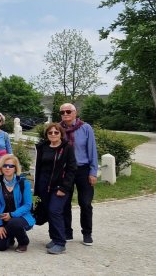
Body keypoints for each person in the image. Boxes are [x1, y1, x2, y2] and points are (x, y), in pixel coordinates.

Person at [35, 123, 77, 255]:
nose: (53, 134)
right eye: (50, 133)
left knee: (55, 211)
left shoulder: (67, 148)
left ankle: (60, 242)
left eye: (56, 132)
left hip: (59, 186)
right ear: (47, 135)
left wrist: (64, 187)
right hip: (43, 185)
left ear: (61, 134)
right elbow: (38, 167)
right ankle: (54, 238)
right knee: (48, 211)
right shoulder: (42, 147)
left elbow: (72, 169)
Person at [59, 103, 98, 246]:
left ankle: (87, 233)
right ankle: (67, 231)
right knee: (64, 203)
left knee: (85, 203)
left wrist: (93, 172)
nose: (65, 114)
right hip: (65, 170)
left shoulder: (85, 128)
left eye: (68, 111)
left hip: (83, 169)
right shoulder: (57, 129)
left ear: (75, 113)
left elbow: (92, 150)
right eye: (62, 112)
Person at [0, 155, 35, 252]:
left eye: (11, 166)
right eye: (5, 165)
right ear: (1, 167)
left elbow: (28, 205)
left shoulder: (24, 183)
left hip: (21, 218)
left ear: (15, 168)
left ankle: (23, 242)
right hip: (4, 218)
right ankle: (10, 237)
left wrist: (12, 215)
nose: (7, 168)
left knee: (14, 223)